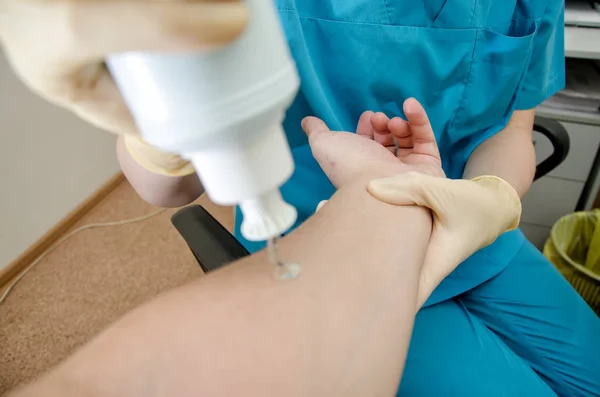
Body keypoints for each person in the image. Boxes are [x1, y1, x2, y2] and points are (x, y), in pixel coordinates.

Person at [1, 0, 599, 395]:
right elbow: (167, 188)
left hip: (479, 239)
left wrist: (489, 198)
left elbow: (510, 129)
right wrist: (157, 125)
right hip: (315, 242)